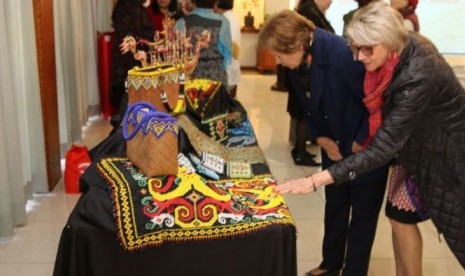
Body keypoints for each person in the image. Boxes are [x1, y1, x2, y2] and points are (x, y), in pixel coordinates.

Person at [275, 0, 465, 271]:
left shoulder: (417, 75)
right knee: (399, 218)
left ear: (388, 39)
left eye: (367, 48)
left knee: (451, 228)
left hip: (445, 155)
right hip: (413, 150)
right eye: (356, 47)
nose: (360, 57)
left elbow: (381, 147)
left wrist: (315, 180)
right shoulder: (395, 52)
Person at [258, 10, 389, 276]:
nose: (279, 62)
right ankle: (330, 264)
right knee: (335, 206)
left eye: (280, 55)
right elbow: (309, 107)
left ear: (295, 45)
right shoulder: (299, 64)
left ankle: (354, 271)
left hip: (364, 146)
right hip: (333, 144)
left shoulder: (342, 54)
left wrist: (360, 140)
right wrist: (320, 137)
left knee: (362, 215)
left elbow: (375, 101)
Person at [289, 0, 334, 167]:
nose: (330, 2)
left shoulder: (309, 8)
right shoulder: (309, 10)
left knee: (304, 111)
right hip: (304, 69)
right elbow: (323, 33)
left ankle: (300, 149)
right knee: (303, 112)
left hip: (305, 67)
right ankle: (300, 152)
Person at [109, 0, 155, 127]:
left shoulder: (123, 6)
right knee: (132, 119)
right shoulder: (132, 8)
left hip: (123, 69)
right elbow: (143, 38)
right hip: (131, 69)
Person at [175, 0, 232, 85]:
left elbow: (176, 53)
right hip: (217, 77)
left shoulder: (182, 22)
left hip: (191, 77)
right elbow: (227, 55)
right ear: (216, 2)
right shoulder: (223, 22)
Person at [214, 0, 241, 99]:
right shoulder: (230, 17)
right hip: (228, 67)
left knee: (226, 102)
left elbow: (228, 45)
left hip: (227, 68)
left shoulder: (227, 19)